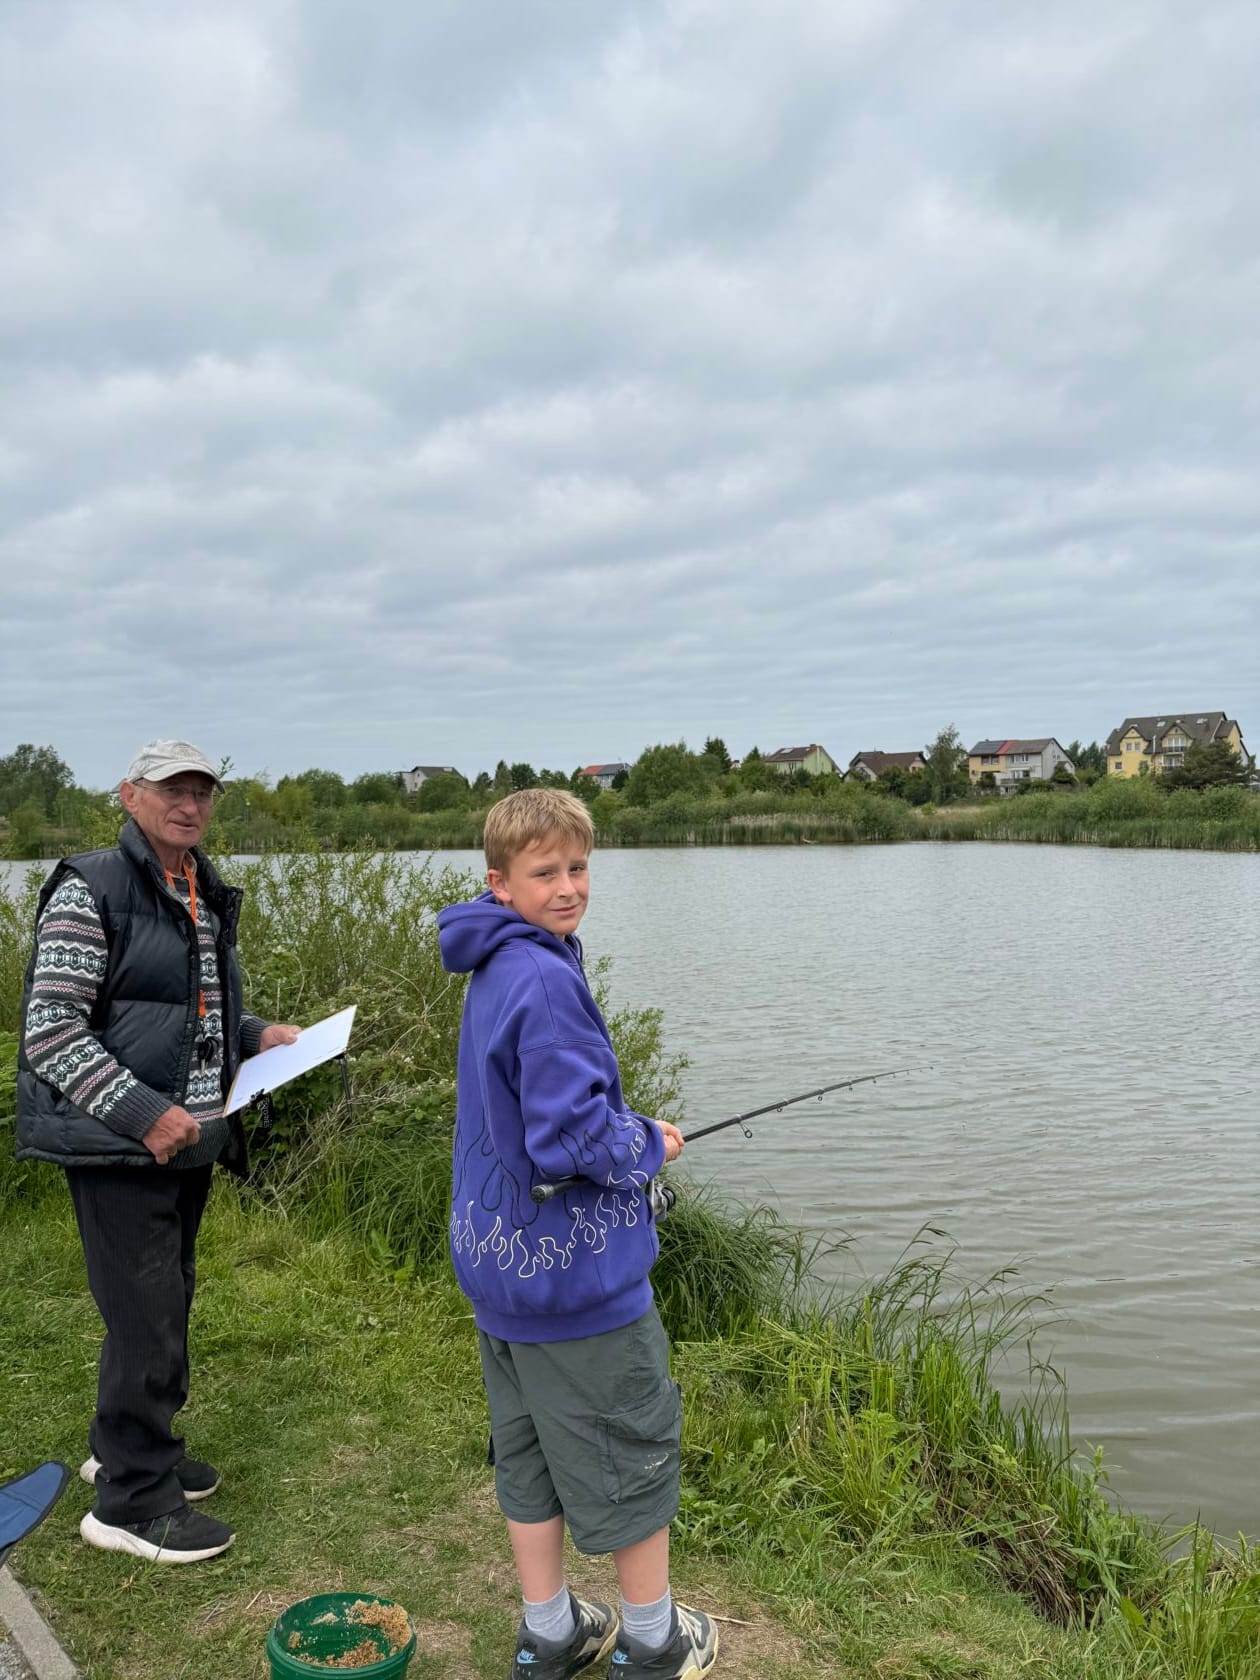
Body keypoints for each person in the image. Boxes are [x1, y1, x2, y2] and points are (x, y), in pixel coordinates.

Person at [438, 788, 718, 1680]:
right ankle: (650, 1644)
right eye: (545, 872)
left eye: (578, 867)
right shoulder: (546, 982)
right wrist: (649, 1143)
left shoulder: (496, 963)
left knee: (527, 1455)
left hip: (502, 1275)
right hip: (575, 1285)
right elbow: (572, 1137)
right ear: (500, 881)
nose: (568, 888)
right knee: (630, 1451)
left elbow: (527, 1115)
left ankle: (551, 1633)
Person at [15, 739, 299, 1564]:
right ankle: (131, 1504)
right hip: (121, 1146)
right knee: (144, 1318)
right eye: (171, 788)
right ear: (129, 795)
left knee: (163, 1304)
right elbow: (52, 1034)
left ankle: (137, 1450)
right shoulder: (92, 886)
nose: (190, 804)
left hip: (189, 1144)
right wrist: (145, 1115)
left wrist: (258, 1036)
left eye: (202, 790)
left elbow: (186, 1017)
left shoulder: (199, 889)